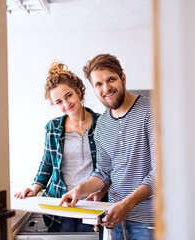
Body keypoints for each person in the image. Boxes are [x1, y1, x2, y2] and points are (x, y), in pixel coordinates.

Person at [59, 54, 155, 240]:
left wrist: (126, 205)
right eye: (98, 84)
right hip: (114, 219)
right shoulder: (102, 124)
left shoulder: (152, 112)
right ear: (93, 89)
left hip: (149, 221)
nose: (106, 88)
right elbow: (104, 172)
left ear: (123, 78)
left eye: (111, 79)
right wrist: (80, 189)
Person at [14, 61, 108, 233]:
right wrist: (34, 188)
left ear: (78, 92)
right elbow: (47, 163)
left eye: (68, 96)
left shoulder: (102, 123)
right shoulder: (53, 127)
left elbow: (110, 167)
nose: (66, 104)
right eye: (58, 102)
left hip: (92, 204)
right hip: (61, 204)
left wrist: (103, 191)